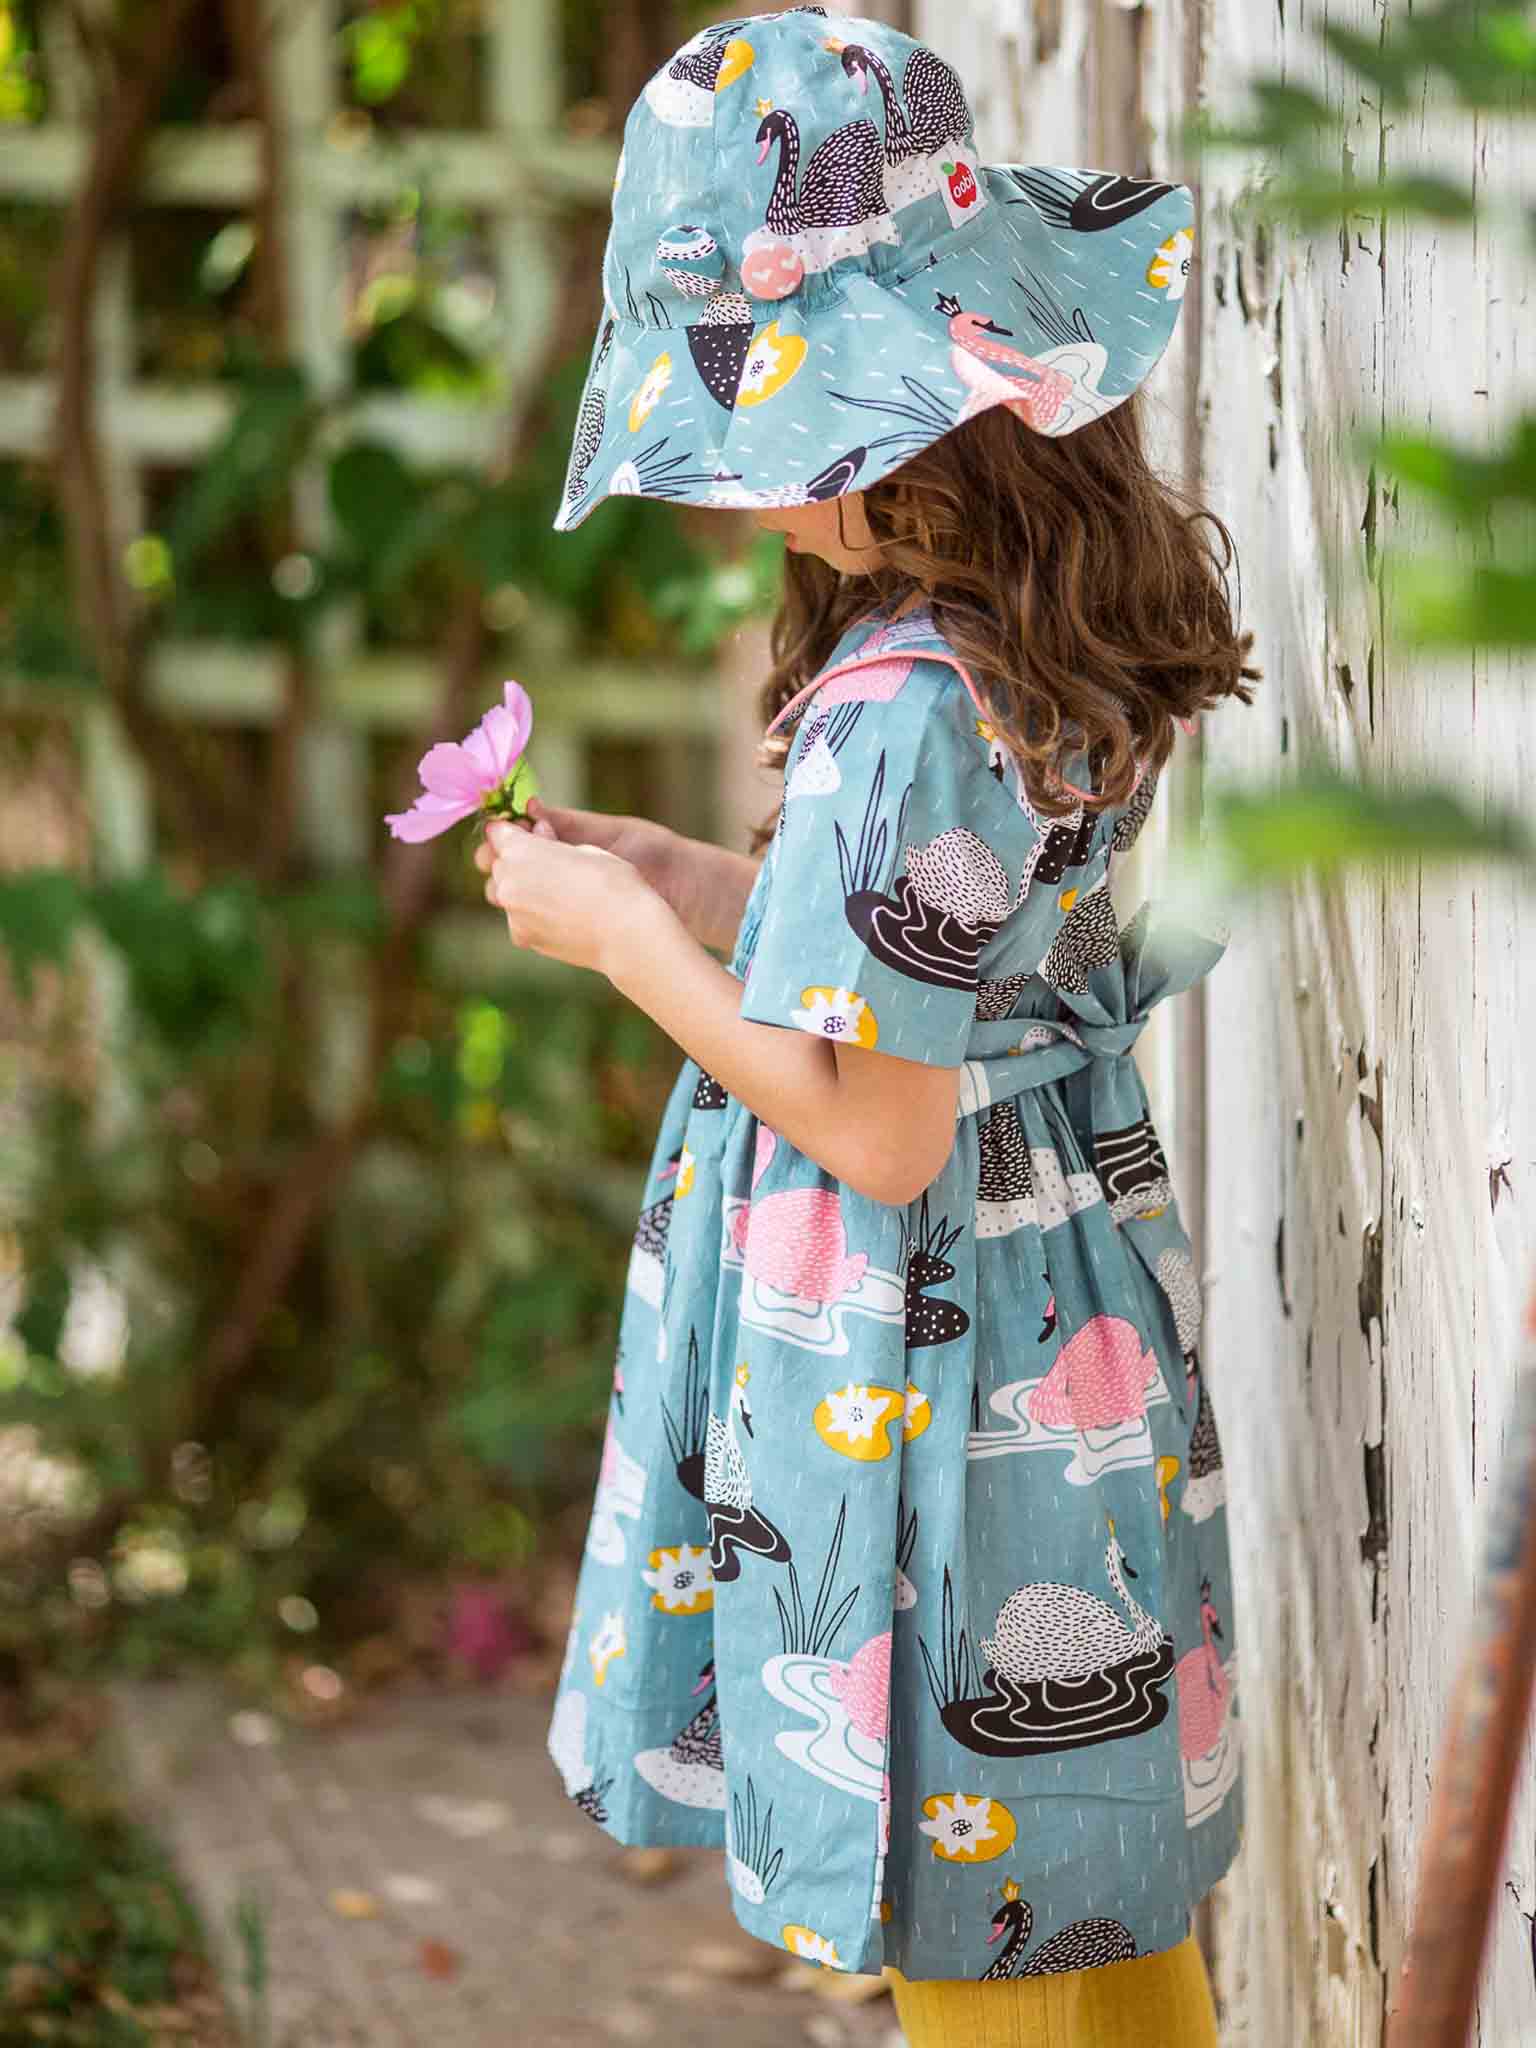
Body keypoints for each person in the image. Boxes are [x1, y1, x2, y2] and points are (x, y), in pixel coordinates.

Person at [476, 12, 1258, 2043]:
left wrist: (625, 951)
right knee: (1082, 1866)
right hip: (1054, 1289)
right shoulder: (1033, 647)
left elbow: (883, 1129)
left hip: (917, 1364)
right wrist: (695, 883)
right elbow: (955, 976)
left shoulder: (897, 712)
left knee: (965, 1871)